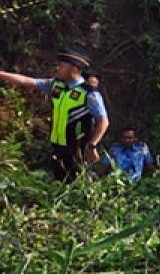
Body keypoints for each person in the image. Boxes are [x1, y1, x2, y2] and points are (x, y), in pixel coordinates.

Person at [0, 48, 109, 182]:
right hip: (57, 144)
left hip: (77, 148)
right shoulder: (56, 85)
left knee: (77, 181)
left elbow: (103, 121)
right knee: (59, 179)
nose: (58, 68)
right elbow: (27, 81)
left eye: (62, 66)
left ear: (74, 69)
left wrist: (93, 145)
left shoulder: (89, 94)